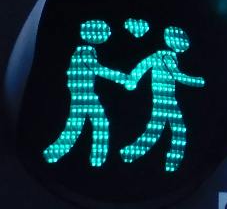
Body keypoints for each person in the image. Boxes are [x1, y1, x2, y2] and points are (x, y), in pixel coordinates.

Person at [42, 19, 133, 168]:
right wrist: (122, 78)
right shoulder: (85, 51)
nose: (107, 34)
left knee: (86, 126)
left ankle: (93, 159)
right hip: (83, 95)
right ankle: (94, 160)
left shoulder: (86, 51)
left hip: (84, 94)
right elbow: (98, 69)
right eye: (104, 32)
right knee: (89, 126)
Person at [120, 26, 206, 173]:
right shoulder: (166, 57)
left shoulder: (161, 55)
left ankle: (130, 154)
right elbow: (177, 75)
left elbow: (142, 66)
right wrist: (198, 81)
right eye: (181, 41)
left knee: (159, 131)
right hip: (165, 100)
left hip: (165, 99)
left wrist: (133, 79)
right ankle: (170, 163)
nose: (184, 45)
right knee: (175, 131)